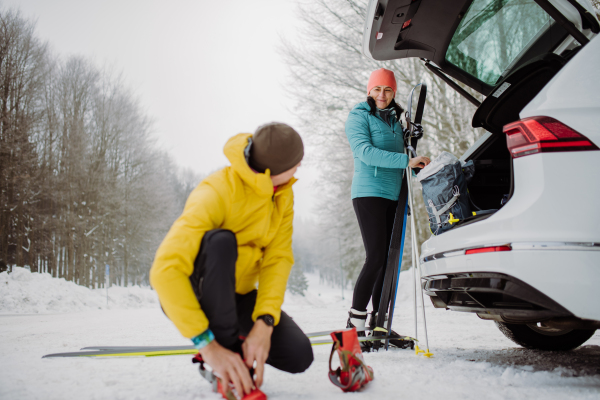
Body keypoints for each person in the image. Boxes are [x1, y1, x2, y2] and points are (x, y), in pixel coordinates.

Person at [150, 123, 313, 398]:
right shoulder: (216, 190)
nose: (299, 166)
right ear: (273, 170)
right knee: (222, 242)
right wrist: (207, 345)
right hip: (200, 289)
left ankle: (233, 345)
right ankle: (222, 354)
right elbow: (164, 271)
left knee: (298, 355)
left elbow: (278, 258)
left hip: (239, 294)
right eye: (296, 162)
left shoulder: (283, 193)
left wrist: (265, 322)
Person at [344, 68, 430, 343]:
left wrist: (418, 164)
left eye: (388, 90)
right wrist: (406, 162)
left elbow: (405, 156)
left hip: (395, 195)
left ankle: (379, 322)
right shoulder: (359, 116)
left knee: (390, 260)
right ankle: (354, 322)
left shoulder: (396, 120)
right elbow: (365, 152)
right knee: (376, 257)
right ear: (369, 91)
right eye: (377, 89)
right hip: (368, 192)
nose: (382, 95)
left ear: (394, 93)